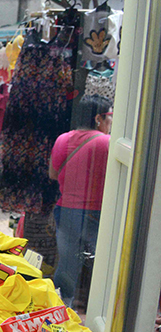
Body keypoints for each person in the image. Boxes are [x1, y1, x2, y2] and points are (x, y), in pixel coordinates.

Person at [50, 94, 112, 308]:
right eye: (109, 117)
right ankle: (99, 309)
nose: (110, 123)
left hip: (66, 210)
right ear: (98, 118)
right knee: (101, 264)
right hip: (97, 212)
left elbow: (52, 174)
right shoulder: (107, 143)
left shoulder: (62, 139)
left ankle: (59, 310)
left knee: (67, 264)